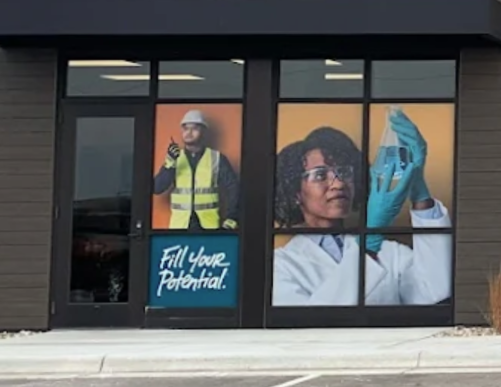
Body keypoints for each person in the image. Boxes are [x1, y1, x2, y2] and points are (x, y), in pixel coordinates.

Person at [271, 112, 451, 307]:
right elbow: (312, 324)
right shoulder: (281, 264)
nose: (338, 184)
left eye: (344, 172)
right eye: (321, 175)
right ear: (295, 192)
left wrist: (420, 197)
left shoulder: (391, 252)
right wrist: (368, 246)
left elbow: (434, 292)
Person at [153, 110, 240, 230]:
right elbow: (157, 188)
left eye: (194, 128)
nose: (189, 133)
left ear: (203, 132)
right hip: (180, 226)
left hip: (208, 226)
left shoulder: (216, 158)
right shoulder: (175, 158)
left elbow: (233, 188)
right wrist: (170, 163)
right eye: (185, 129)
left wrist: (232, 218)